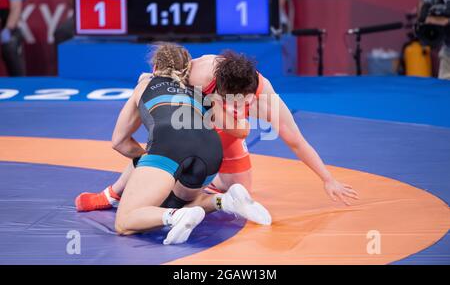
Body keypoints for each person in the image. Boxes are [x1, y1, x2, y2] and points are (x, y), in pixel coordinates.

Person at [76, 50, 358, 214]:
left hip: (221, 131)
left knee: (242, 189)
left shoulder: (264, 96)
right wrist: (150, 81)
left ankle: (200, 190)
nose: (245, 103)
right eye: (238, 99)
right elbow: (161, 77)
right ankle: (112, 194)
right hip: (194, 120)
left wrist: (328, 179)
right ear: (219, 85)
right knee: (166, 139)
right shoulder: (199, 72)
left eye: (247, 99)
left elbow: (295, 140)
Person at [79, 43, 271, 244]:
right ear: (188, 69)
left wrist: (149, 159)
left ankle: (175, 217)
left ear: (154, 68)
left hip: (170, 146)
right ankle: (225, 200)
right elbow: (242, 131)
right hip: (211, 152)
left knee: (125, 222)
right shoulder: (200, 93)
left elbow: (119, 142)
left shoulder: (145, 85)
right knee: (173, 200)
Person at [419, 0, 450, 80]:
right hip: (448, 52)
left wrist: (446, 21)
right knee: (442, 93)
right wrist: (425, 18)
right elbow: (423, 1)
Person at [0, 0, 27, 76]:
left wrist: (7, 29)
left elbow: (16, 8)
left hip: (8, 24)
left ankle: (19, 82)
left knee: (10, 45)